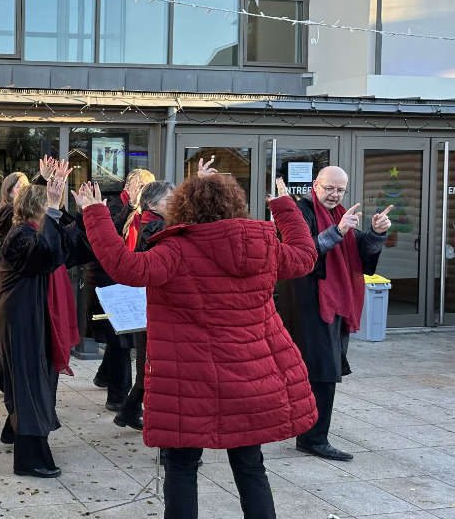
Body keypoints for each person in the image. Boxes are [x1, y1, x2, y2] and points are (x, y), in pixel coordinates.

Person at [76, 170, 318, 519]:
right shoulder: (262, 247)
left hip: (190, 382)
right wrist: (283, 206)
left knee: (181, 467)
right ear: (236, 205)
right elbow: (305, 255)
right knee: (250, 465)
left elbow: (124, 267)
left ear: (182, 207)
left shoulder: (175, 250)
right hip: (249, 379)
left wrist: (94, 212)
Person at [277, 166, 391, 462]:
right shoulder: (300, 211)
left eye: (340, 190)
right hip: (308, 303)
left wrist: (377, 234)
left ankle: (309, 434)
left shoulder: (339, 213)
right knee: (323, 372)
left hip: (335, 303)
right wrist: (338, 231)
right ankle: (313, 439)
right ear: (315, 185)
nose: (334, 194)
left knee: (321, 371)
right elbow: (303, 253)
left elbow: (359, 255)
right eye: (329, 188)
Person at [0, 164, 92, 479]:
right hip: (21, 320)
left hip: (35, 316)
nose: (53, 210)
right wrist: (52, 210)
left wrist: (82, 213)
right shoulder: (20, 235)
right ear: (36, 209)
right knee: (29, 385)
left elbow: (75, 250)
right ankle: (28, 459)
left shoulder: (35, 231)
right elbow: (46, 252)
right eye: (48, 207)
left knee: (38, 382)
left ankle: (21, 439)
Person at [90, 168, 155, 411]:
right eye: (139, 186)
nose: (142, 191)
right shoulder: (115, 205)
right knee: (121, 341)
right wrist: (131, 206)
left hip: (134, 280)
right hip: (111, 281)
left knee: (120, 336)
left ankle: (104, 376)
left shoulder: (148, 211)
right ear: (128, 186)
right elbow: (111, 232)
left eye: (145, 187)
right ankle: (118, 398)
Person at [112, 180, 174, 431]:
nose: (174, 204)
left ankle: (129, 411)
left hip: (147, 301)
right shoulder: (155, 225)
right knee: (151, 362)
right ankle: (138, 414)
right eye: (169, 200)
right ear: (152, 203)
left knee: (148, 362)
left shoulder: (147, 221)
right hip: (151, 302)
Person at [0, 170, 30, 393]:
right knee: (14, 332)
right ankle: (2, 378)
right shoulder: (7, 211)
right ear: (9, 191)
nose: (24, 189)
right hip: (11, 276)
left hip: (20, 275)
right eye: (19, 186)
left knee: (17, 332)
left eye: (26, 185)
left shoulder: (20, 210)